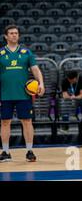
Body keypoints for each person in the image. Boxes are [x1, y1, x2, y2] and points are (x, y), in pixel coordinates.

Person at [0, 25, 45, 162]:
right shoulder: (1, 53)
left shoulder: (26, 52)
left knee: (27, 121)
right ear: (6, 36)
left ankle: (29, 151)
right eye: (11, 33)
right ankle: (5, 152)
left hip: (23, 95)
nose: (14, 35)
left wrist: (41, 83)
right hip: (5, 94)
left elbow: (35, 70)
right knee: (5, 122)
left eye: (16, 33)